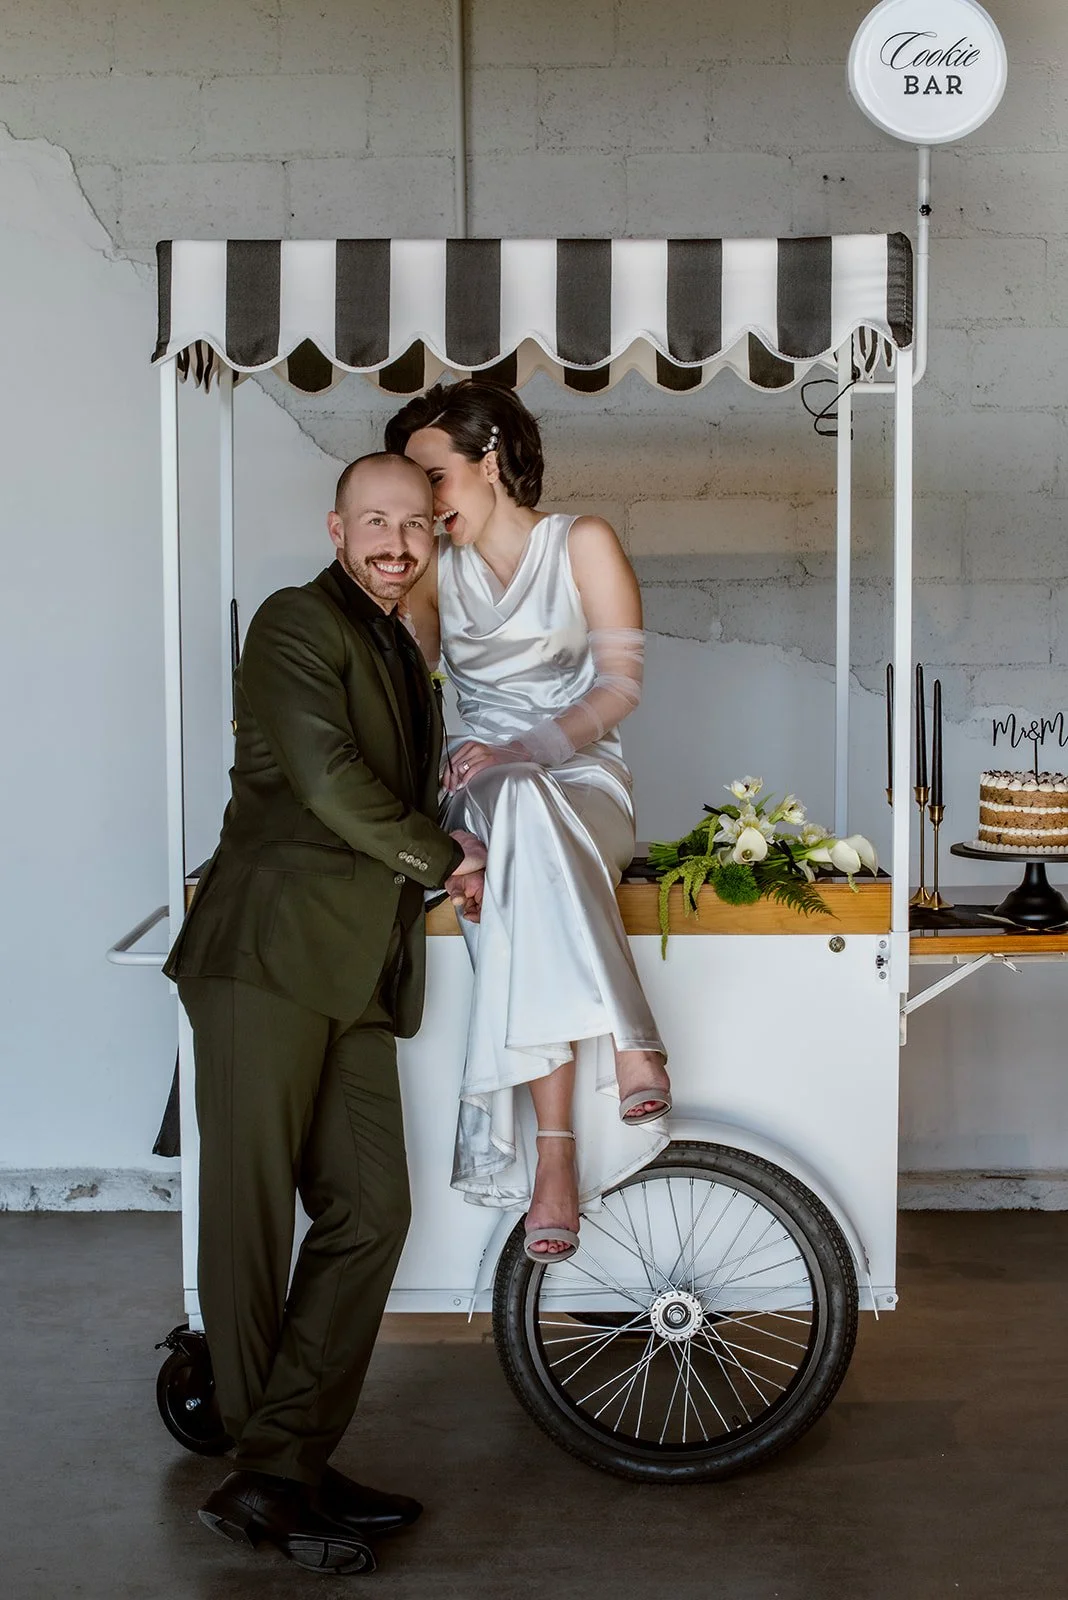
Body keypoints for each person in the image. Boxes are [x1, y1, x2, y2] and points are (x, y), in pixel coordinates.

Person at [163, 452, 486, 1577]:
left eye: (414, 525)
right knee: (251, 1228)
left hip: (351, 970)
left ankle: (285, 1455)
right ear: (337, 524)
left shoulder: (400, 639)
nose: (396, 541)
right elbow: (327, 778)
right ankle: (266, 1475)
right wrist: (447, 860)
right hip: (266, 955)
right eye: (376, 522)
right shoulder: (297, 622)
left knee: (372, 1211)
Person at [384, 381, 671, 1263]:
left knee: (529, 805)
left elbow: (620, 689)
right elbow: (415, 703)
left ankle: (552, 1153)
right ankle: (632, 1044)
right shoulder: (436, 571)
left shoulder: (582, 542)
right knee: (510, 806)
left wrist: (528, 750)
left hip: (586, 782)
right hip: (481, 793)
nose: (422, 507)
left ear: (492, 458)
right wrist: (443, 807)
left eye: (433, 479)